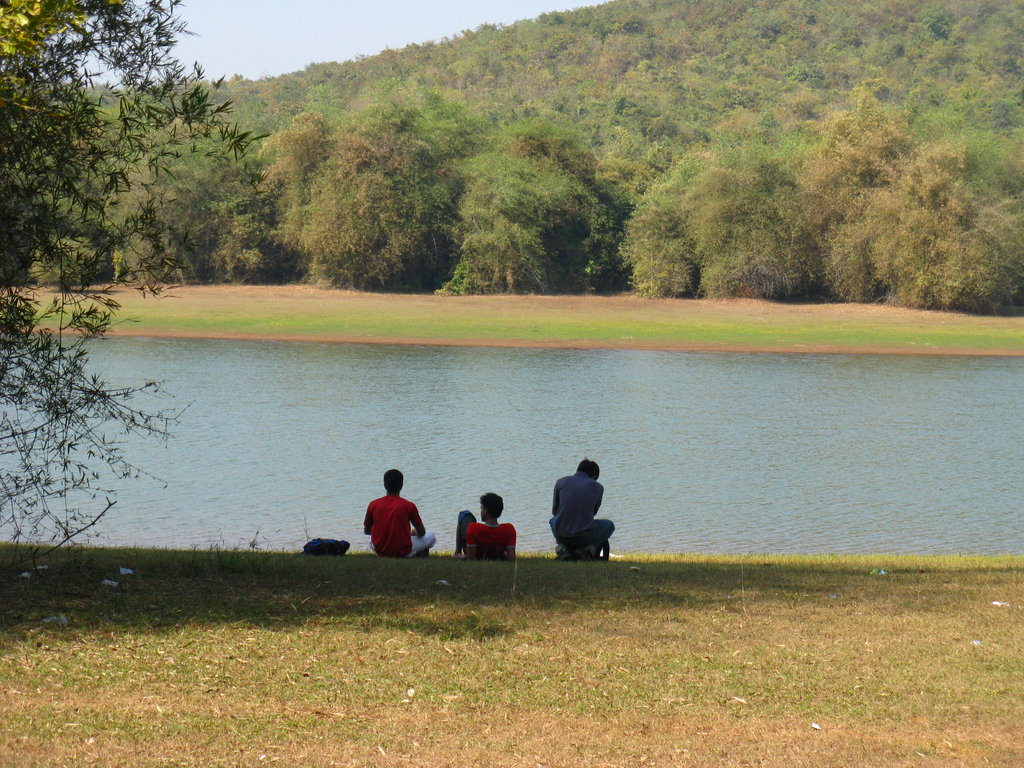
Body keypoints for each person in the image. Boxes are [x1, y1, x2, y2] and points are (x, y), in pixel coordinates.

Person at [550, 458, 614, 560]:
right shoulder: (598, 487)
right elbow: (593, 513)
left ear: (577, 470)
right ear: (594, 476)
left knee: (552, 520)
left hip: (562, 534)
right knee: (609, 525)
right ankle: (587, 550)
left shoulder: (560, 482)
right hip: (584, 535)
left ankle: (562, 548)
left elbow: (554, 512)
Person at [363, 469, 436, 557]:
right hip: (403, 551)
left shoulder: (373, 504)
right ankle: (421, 556)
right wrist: (412, 532)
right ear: (401, 485)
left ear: (384, 485)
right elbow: (422, 532)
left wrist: (383, 532)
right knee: (431, 535)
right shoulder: (409, 505)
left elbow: (367, 531)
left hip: (379, 550)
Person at [453, 493, 516, 561]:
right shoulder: (509, 529)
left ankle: (457, 552)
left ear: (485, 511)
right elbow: (511, 558)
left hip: (475, 553)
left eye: (481, 508)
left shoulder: (473, 528)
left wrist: (461, 557)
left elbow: (470, 558)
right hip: (497, 554)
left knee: (465, 514)